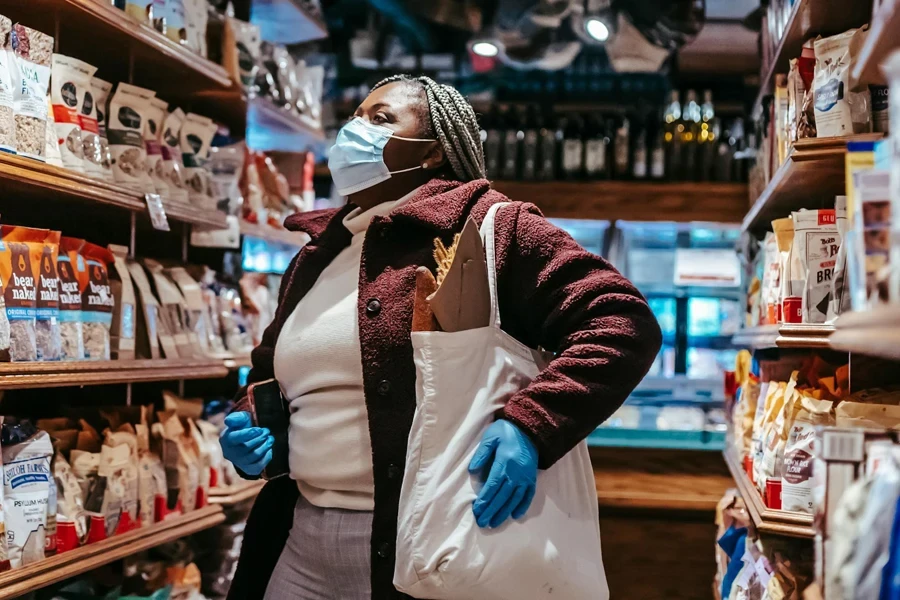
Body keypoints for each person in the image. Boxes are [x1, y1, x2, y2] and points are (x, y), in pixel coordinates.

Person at [220, 74, 662, 600]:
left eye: (381, 119)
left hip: (428, 543)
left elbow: (620, 321)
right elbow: (273, 364)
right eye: (355, 117)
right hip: (299, 535)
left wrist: (533, 424)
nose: (355, 130)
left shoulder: (492, 227)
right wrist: (253, 418)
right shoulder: (318, 251)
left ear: (432, 153)